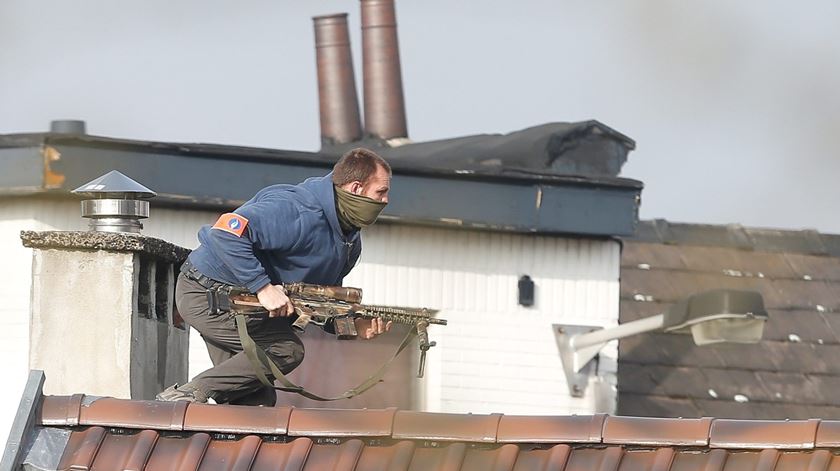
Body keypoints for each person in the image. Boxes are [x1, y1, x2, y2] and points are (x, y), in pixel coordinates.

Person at [157, 147, 392, 406]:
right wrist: (263, 287)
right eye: (381, 192)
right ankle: (184, 396)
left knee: (256, 404)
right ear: (357, 188)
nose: (386, 200)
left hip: (246, 308)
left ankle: (200, 409)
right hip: (207, 295)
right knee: (285, 350)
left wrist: (353, 326)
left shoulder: (348, 240)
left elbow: (317, 304)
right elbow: (224, 232)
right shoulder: (296, 209)